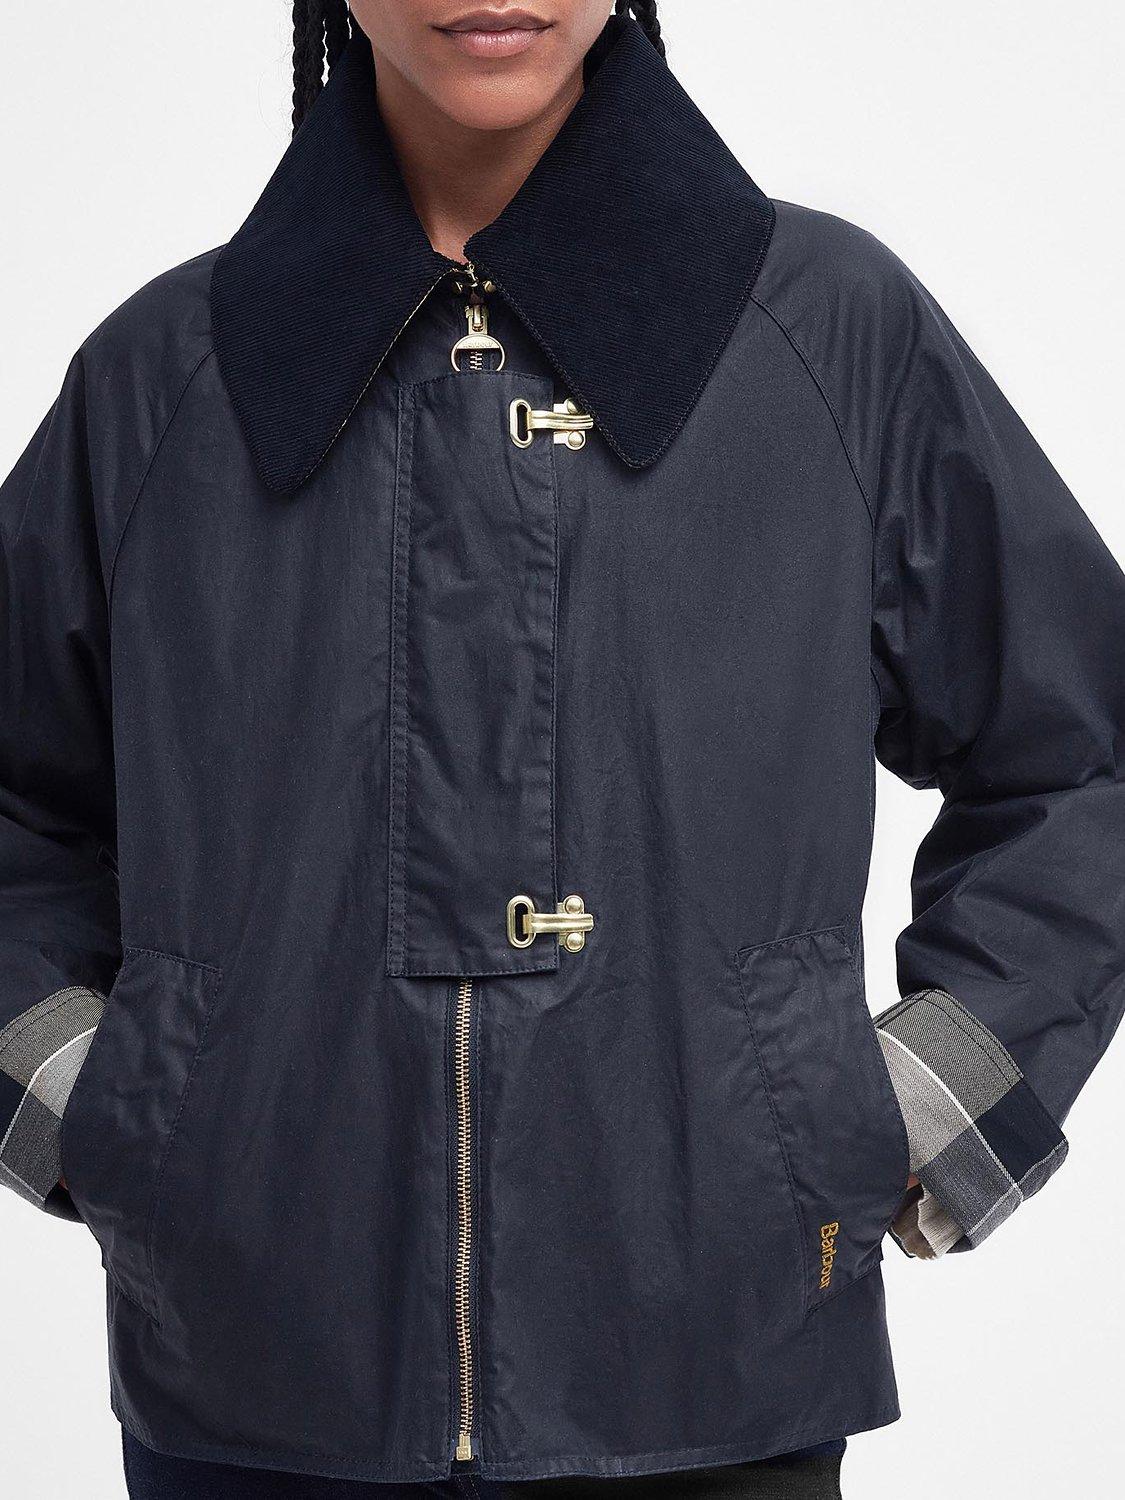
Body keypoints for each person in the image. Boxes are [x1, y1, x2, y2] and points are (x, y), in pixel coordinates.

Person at [1, 2, 1121, 1496]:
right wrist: (105, 1115)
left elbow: (1082, 755)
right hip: (251, 1377)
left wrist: (913, 1105)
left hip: (721, 1362)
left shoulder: (829, 334)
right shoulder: (161, 379)